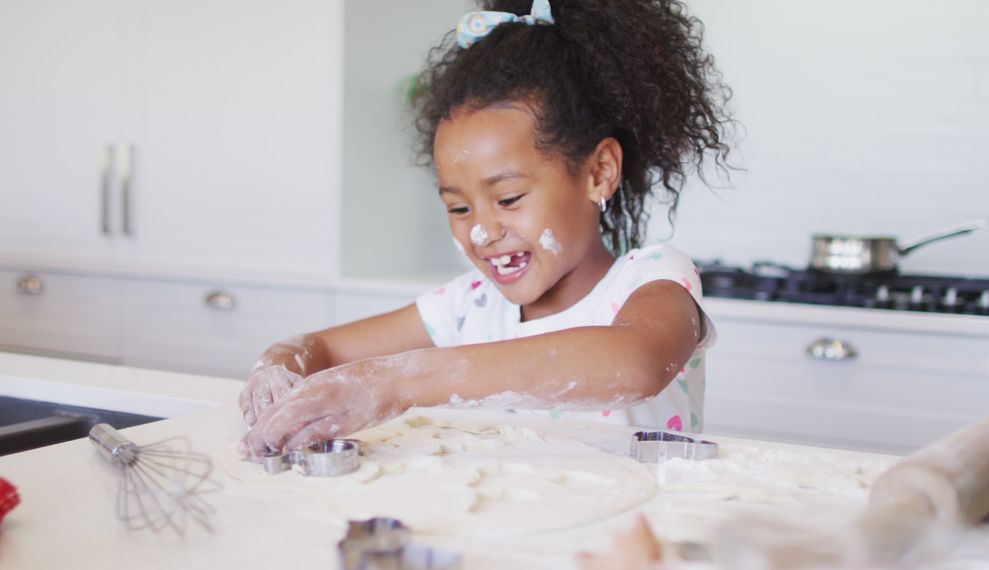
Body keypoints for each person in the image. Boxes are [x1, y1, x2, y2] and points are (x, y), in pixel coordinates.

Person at [238, 0, 735, 457]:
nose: (481, 232)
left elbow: (635, 363)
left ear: (599, 170)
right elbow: (319, 348)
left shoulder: (649, 280)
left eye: (509, 199)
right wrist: (277, 369)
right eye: (458, 208)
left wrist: (400, 381)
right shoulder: (468, 305)